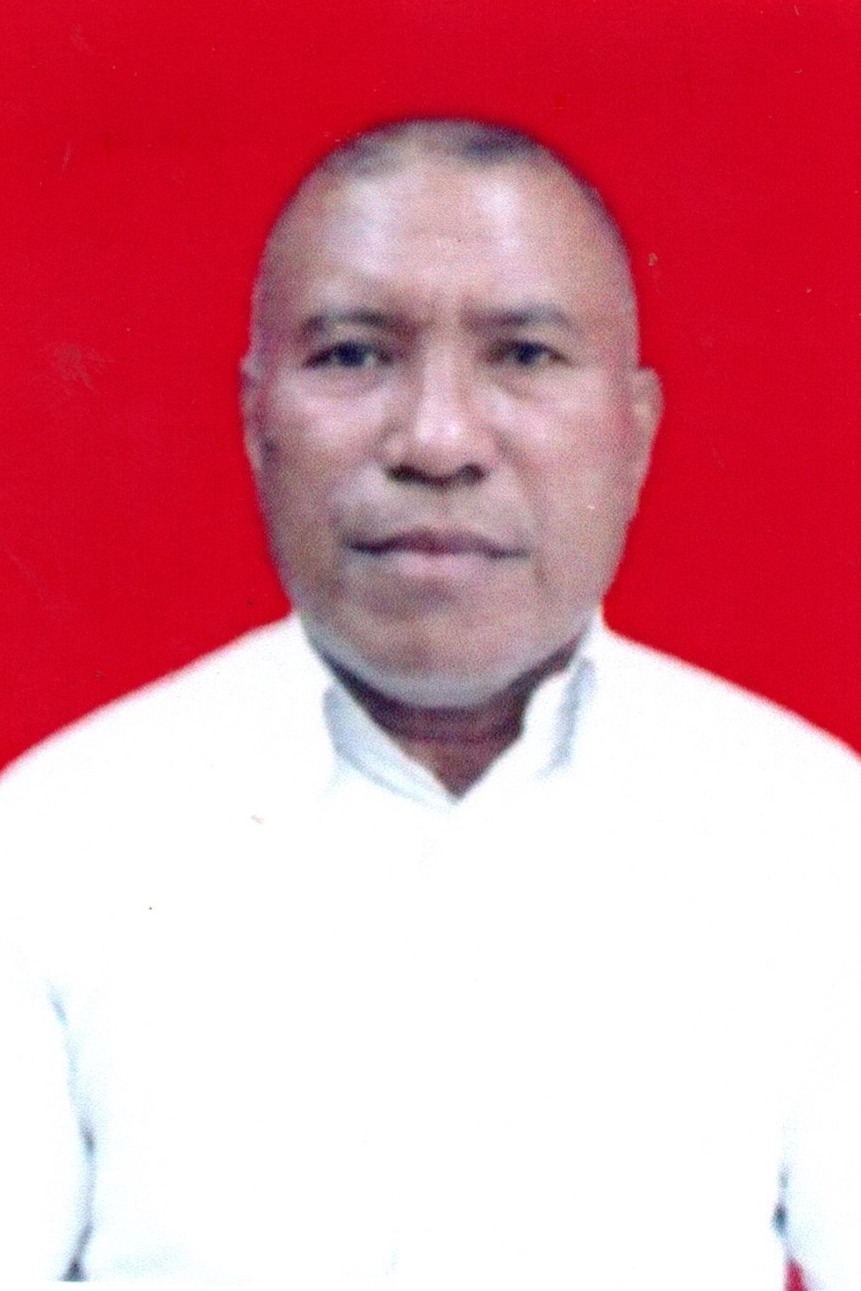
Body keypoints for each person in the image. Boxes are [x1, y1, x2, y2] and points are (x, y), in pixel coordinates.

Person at [1, 118, 859, 1288]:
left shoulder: (814, 831)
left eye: (526, 354)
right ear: (256, 420)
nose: (439, 441)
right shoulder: (55, 838)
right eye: (356, 354)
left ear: (635, 433)